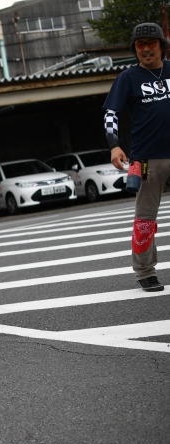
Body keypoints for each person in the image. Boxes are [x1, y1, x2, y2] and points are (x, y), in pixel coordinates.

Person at [104, 22, 170, 292]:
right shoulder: (128, 78)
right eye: (140, 45)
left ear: (161, 46)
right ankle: (145, 273)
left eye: (151, 44)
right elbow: (111, 114)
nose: (145, 49)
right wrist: (114, 145)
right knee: (145, 218)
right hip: (145, 158)